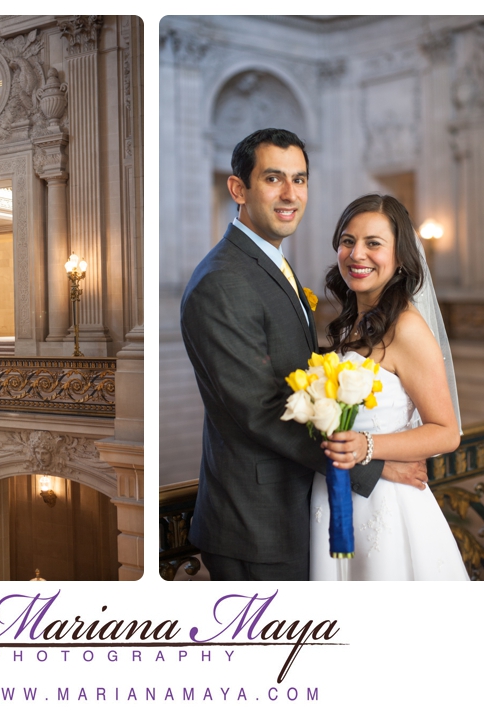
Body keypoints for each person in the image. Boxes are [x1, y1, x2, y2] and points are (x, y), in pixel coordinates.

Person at [180, 128, 427, 581]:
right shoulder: (223, 280)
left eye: (300, 179)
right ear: (239, 188)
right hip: (256, 523)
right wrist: (372, 466)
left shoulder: (270, 261)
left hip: (296, 507)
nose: (290, 193)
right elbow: (260, 410)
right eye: (274, 178)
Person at [310, 194, 468, 580]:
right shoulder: (352, 322)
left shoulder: (408, 329)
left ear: (400, 258)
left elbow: (447, 432)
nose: (356, 254)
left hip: (384, 506)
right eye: (348, 241)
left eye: (373, 243)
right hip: (335, 496)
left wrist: (368, 449)